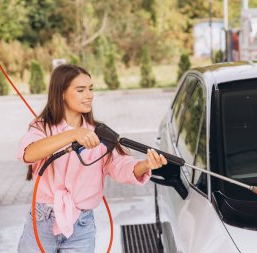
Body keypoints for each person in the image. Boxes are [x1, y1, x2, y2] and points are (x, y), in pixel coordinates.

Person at [17, 64, 167, 253]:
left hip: (82, 224)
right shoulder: (42, 128)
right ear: (61, 93)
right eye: (81, 90)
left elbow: (119, 165)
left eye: (91, 89)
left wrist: (145, 165)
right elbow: (28, 154)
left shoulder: (99, 132)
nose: (89, 95)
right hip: (42, 220)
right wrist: (73, 134)